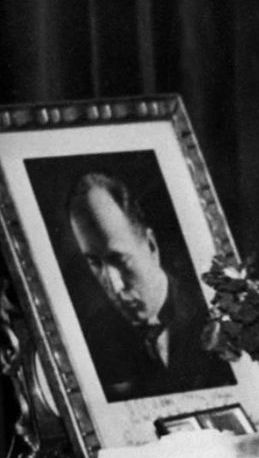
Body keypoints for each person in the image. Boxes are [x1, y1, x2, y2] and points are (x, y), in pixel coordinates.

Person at [64, 171, 235, 403]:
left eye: (121, 260)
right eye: (95, 263)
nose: (115, 286)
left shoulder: (217, 313)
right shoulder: (92, 340)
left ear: (152, 246)